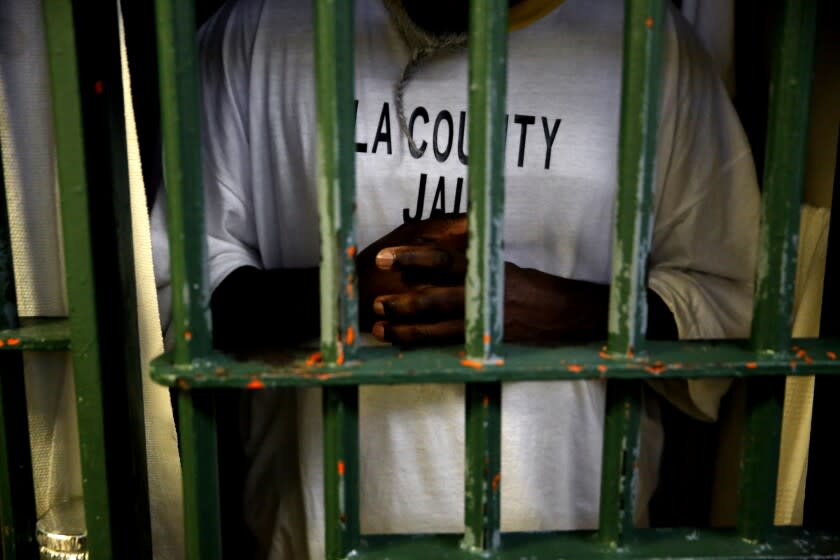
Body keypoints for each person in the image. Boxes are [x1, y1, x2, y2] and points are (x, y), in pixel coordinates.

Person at [150, 0, 760, 558]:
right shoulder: (260, 31)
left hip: (575, 540)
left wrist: (561, 312)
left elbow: (728, 309)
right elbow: (174, 300)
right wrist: (343, 295)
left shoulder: (646, 42)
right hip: (314, 540)